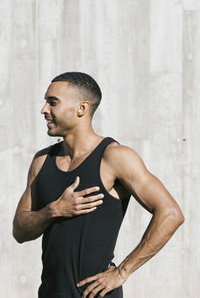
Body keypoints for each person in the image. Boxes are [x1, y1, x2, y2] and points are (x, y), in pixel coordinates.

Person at [12, 72, 184, 298]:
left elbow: (171, 214)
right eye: (45, 102)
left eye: (53, 102)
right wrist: (53, 210)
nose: (44, 109)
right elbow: (20, 231)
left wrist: (122, 272)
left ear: (81, 108)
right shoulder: (42, 161)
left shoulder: (114, 157)